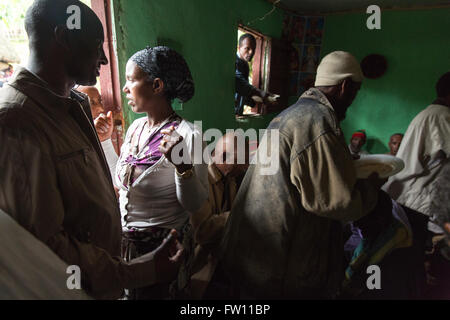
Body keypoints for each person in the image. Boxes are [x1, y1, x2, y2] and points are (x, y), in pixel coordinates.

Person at [0, 0, 183, 300]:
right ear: (63, 37)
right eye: (96, 44)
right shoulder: (15, 121)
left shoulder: (73, 106)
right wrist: (141, 271)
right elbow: (47, 250)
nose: (103, 58)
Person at [220, 51, 380, 299]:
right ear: (345, 86)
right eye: (354, 93)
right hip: (278, 261)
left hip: (254, 251)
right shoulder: (319, 121)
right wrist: (372, 188)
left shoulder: (293, 113)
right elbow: (338, 202)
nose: (352, 100)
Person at [98, 46, 209, 299]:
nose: (125, 89)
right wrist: (105, 142)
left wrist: (182, 165)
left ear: (156, 85)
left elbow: (195, 203)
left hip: (162, 254)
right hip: (126, 250)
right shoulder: (136, 128)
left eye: (130, 80)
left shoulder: (190, 135)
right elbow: (123, 182)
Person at [383, 71, 450, 299]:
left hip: (411, 199)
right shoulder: (441, 116)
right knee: (413, 265)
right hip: (417, 202)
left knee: (410, 263)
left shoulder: (431, 114)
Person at [189, 132, 250, 299]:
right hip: (200, 267)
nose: (245, 167)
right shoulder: (199, 179)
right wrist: (239, 215)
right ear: (224, 157)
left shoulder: (229, 176)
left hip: (221, 259)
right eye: (242, 162)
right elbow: (201, 232)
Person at [235, 33, 270, 116]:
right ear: (239, 48)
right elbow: (239, 83)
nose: (251, 52)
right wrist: (259, 92)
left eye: (253, 49)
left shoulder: (245, 65)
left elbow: (242, 93)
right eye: (247, 48)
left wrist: (254, 102)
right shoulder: (234, 62)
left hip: (237, 114)